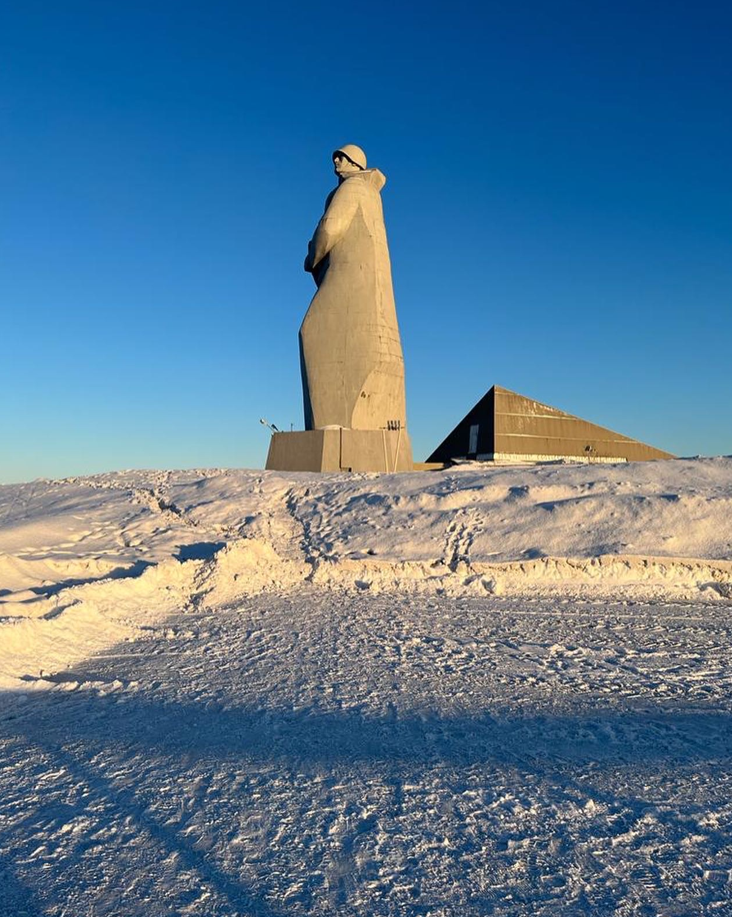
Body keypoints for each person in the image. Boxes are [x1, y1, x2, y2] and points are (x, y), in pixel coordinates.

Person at [300, 145, 407, 432]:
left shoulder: (351, 189)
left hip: (350, 281)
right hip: (372, 287)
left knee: (313, 329)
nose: (336, 160)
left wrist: (312, 257)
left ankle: (331, 426)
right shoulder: (372, 195)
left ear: (356, 163)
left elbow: (330, 228)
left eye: (342, 156)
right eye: (336, 156)